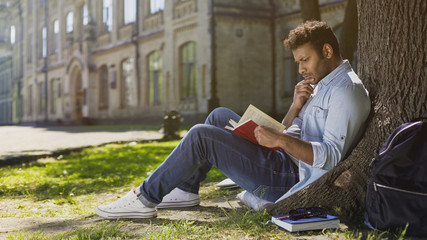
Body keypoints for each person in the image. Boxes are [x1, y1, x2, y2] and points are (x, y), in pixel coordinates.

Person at [95, 21, 371, 219]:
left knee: (201, 135)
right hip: (284, 160)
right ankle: (187, 189)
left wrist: (279, 140)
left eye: (305, 60)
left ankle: (144, 198)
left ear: (326, 52)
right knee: (219, 116)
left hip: (287, 178)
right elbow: (293, 130)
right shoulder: (322, 83)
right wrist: (294, 108)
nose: (300, 70)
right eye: (297, 62)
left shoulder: (346, 92)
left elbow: (332, 157)